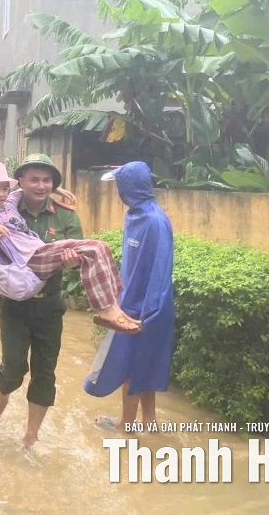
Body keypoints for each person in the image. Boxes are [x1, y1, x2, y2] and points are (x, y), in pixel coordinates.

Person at [0, 154, 136, 455]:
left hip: (50, 306)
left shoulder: (66, 216)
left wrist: (72, 262)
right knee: (13, 368)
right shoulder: (4, 208)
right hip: (14, 305)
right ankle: (1, 397)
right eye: (34, 179)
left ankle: (30, 438)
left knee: (45, 373)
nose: (41, 185)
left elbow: (77, 264)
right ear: (19, 182)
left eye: (47, 180)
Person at [0, 161, 141, 333]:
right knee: (93, 248)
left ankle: (115, 307)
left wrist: (56, 189)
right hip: (29, 261)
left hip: (41, 255)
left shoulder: (9, 204)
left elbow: (28, 188)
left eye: (4, 189)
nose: (1, 194)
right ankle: (105, 311)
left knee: (100, 247)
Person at [84, 161, 175, 433]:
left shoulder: (155, 222)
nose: (118, 192)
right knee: (142, 365)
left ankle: (126, 427)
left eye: (120, 186)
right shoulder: (133, 216)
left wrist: (147, 314)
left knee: (130, 367)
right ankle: (150, 423)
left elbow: (160, 271)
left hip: (147, 308)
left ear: (130, 187)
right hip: (129, 302)